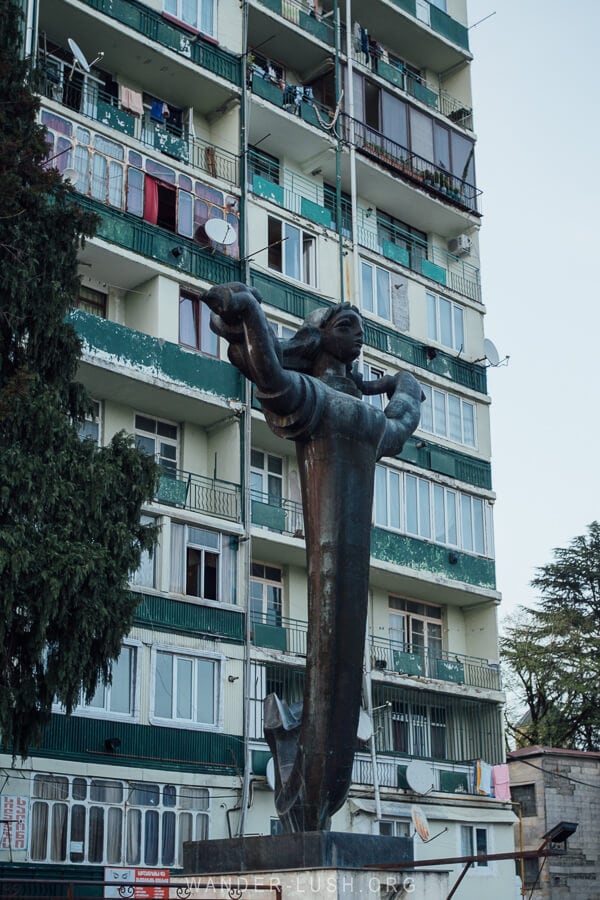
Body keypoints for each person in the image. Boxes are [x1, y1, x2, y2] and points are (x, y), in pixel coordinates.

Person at [204, 282, 423, 832]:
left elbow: (400, 425)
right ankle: (297, 772)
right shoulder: (312, 395)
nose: (358, 331)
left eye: (360, 326)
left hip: (350, 565)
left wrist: (408, 386)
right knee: (332, 650)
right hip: (327, 547)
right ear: (319, 336)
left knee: (346, 660)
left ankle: (305, 772)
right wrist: (250, 314)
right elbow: (271, 378)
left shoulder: (365, 418)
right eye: (345, 322)